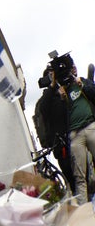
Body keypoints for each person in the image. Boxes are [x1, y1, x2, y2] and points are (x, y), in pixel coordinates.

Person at [52, 53, 95, 200]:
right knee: (79, 176)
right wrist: (61, 97)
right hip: (75, 135)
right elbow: (55, 116)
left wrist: (82, 85)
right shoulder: (61, 92)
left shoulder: (81, 81)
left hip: (90, 126)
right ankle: (85, 215)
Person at [33, 65, 76, 193]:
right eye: (51, 75)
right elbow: (43, 108)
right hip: (60, 145)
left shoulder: (64, 91)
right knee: (72, 178)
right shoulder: (46, 97)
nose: (55, 78)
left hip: (73, 137)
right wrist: (52, 86)